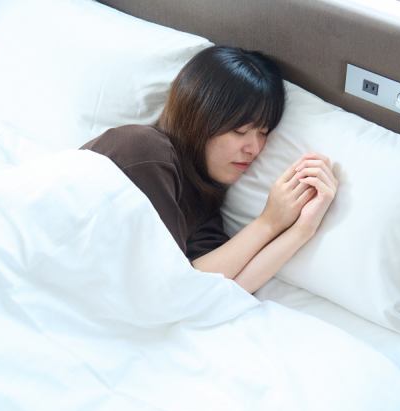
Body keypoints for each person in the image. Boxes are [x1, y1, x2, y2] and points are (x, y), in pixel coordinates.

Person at [81, 46, 338, 293]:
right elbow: (171, 287)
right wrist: (269, 222)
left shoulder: (204, 208)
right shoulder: (143, 149)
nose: (254, 148)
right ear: (198, 116)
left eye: (263, 132)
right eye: (240, 130)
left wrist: (300, 229)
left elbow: (219, 290)